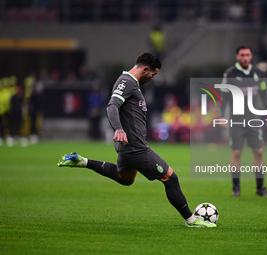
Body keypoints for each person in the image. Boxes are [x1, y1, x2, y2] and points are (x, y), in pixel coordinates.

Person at [57, 52, 215, 228]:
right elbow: (111, 106)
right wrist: (118, 128)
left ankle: (82, 161)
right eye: (153, 74)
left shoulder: (131, 83)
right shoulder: (128, 82)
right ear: (145, 69)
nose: (152, 78)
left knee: (125, 178)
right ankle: (191, 220)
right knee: (170, 178)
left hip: (127, 146)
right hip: (134, 146)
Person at [220, 45, 267, 197]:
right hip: (236, 119)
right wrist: (222, 116)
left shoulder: (258, 73)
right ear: (237, 56)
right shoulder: (230, 74)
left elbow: (264, 94)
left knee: (258, 151)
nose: (245, 58)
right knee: (237, 152)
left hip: (254, 119)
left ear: (251, 56)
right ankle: (236, 187)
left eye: (247, 55)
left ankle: (260, 187)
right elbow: (223, 96)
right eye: (242, 55)